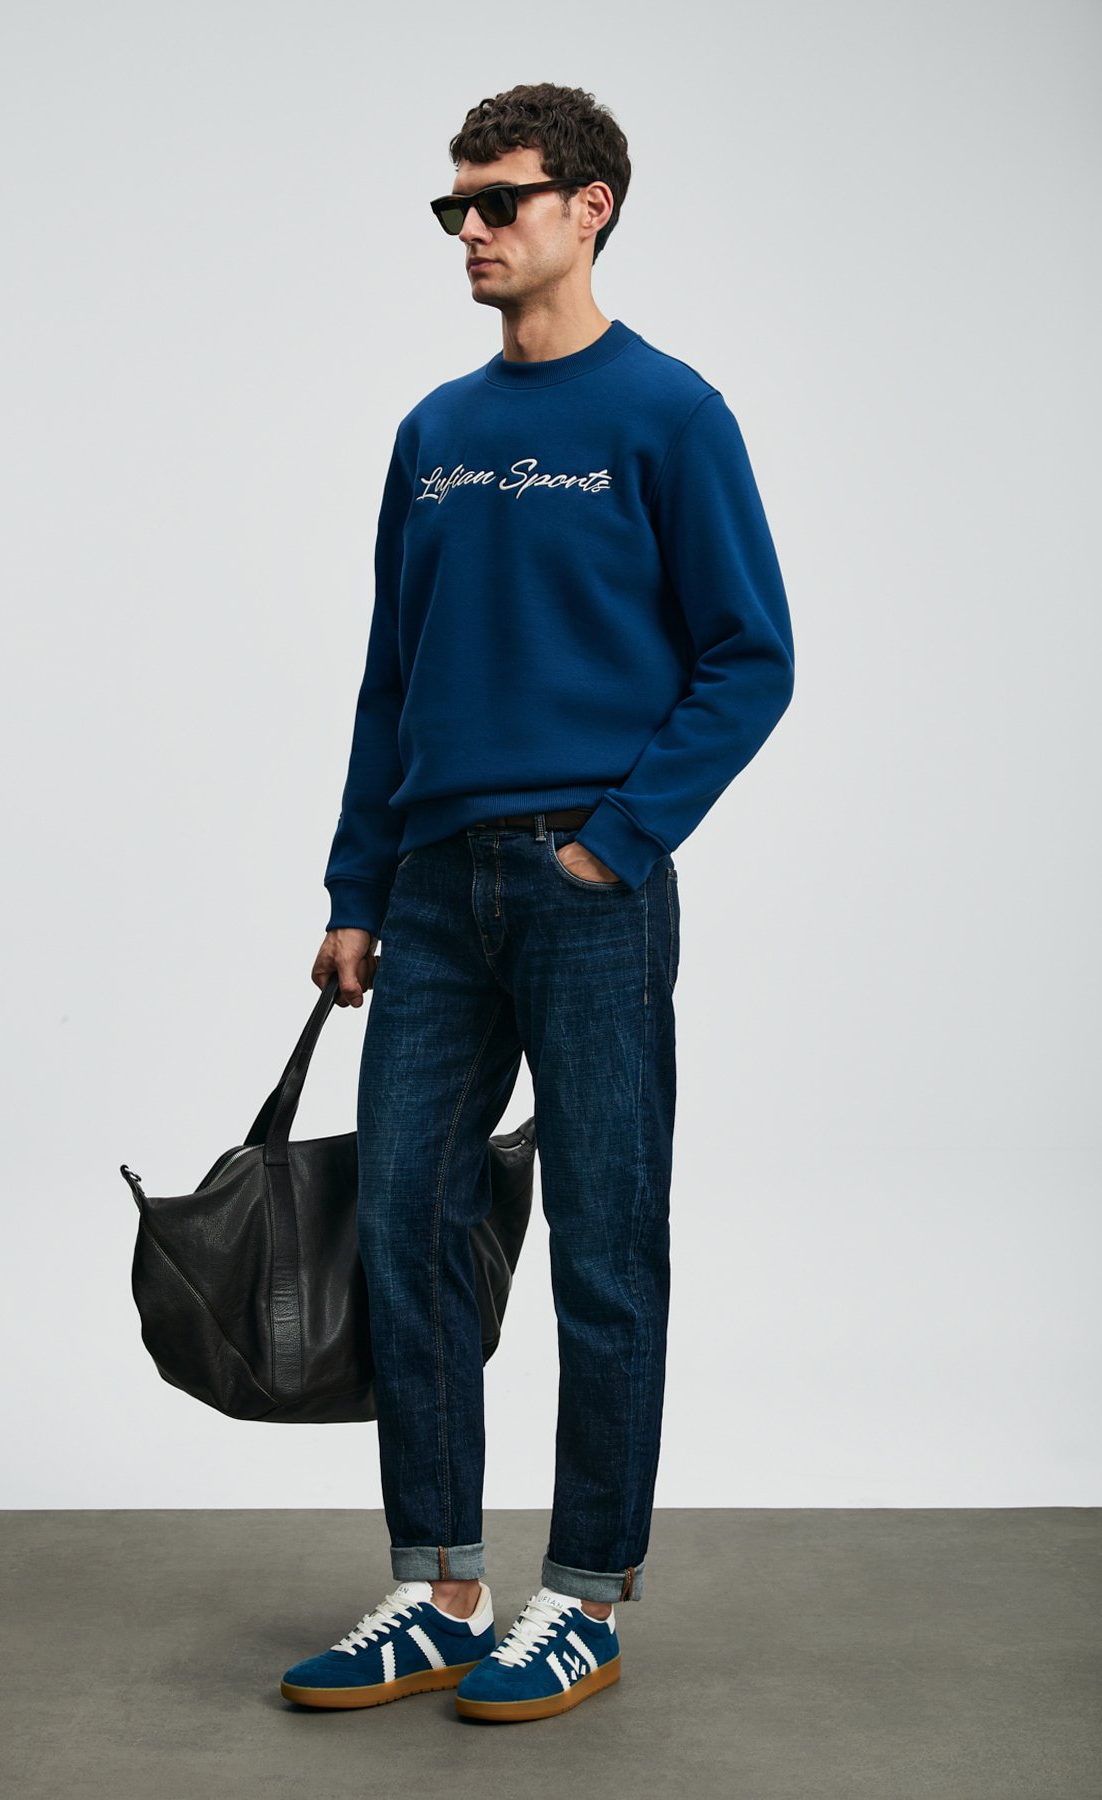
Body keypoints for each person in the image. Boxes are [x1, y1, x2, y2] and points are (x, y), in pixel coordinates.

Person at [280, 81, 795, 1723]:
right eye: (457, 206)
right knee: (406, 1226)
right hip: (431, 892)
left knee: (605, 1244)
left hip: (588, 884)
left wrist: (616, 841)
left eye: (498, 200)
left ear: (591, 207)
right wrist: (357, 885)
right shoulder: (433, 435)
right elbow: (391, 677)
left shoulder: (670, 415)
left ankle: (584, 1596)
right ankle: (441, 1586)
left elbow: (750, 658)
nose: (472, 231)